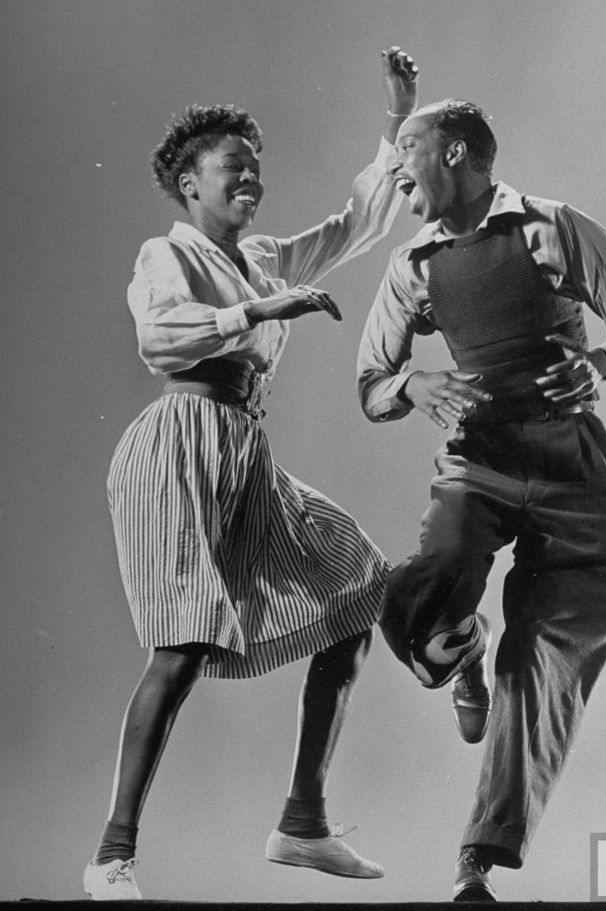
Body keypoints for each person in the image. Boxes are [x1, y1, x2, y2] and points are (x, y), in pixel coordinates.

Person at [83, 47, 418, 901]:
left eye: (257, 170)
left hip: (243, 451)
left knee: (358, 591)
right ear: (190, 184)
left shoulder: (264, 255)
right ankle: (112, 855)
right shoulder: (168, 254)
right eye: (235, 167)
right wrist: (258, 310)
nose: (251, 180)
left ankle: (302, 820)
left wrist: (395, 122)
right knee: (184, 645)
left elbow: (353, 226)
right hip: (178, 445)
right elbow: (160, 337)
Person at [357, 99, 606, 902]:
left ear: (455, 154)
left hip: (574, 477)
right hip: (479, 463)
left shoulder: (552, 227)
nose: (396, 169)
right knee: (431, 575)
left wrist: (601, 363)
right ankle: (460, 641)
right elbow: (371, 383)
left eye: (408, 149)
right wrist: (411, 381)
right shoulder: (413, 263)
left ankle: (476, 860)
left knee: (538, 669)